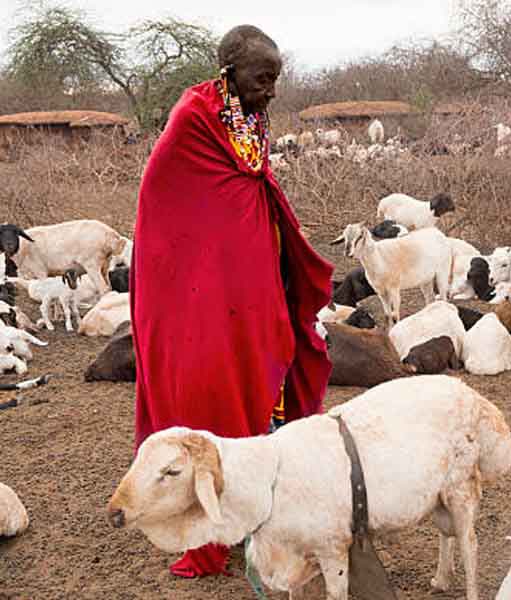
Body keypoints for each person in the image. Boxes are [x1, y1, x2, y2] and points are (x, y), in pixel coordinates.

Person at [129, 24, 333, 578]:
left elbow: (250, 186)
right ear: (229, 73)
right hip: (201, 293)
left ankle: (262, 506)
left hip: (255, 282)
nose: (270, 92)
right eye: (262, 80)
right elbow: (166, 209)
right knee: (210, 385)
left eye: (275, 81)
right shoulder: (192, 120)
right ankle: (211, 527)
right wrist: (192, 282)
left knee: (270, 363)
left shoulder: (252, 119)